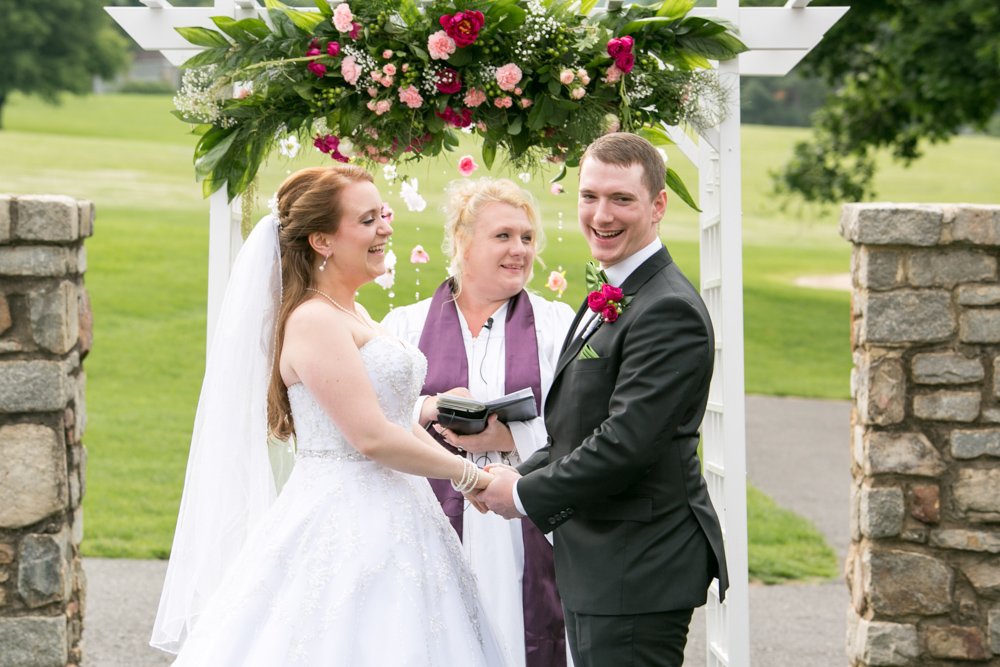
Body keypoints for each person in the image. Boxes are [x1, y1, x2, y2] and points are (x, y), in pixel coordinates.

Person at [150, 164, 510, 666]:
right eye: (366, 220)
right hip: (346, 517)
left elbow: (395, 419)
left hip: (401, 509)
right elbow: (371, 438)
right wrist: (470, 477)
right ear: (322, 240)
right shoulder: (314, 320)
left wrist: (467, 476)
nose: (385, 227)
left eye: (382, 214)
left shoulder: (353, 312)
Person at [477, 133, 730, 667]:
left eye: (621, 199)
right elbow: (578, 428)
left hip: (637, 565)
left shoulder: (668, 310)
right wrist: (517, 475)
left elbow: (625, 443)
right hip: (605, 560)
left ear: (658, 205)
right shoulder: (618, 292)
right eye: (589, 196)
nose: (601, 215)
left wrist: (524, 495)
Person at [382, 178, 576, 667]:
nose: (519, 250)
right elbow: (367, 420)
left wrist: (512, 435)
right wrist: (429, 407)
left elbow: (586, 426)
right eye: (503, 236)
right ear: (462, 241)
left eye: (527, 237)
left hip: (521, 521)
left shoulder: (556, 326)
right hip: (427, 520)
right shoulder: (403, 330)